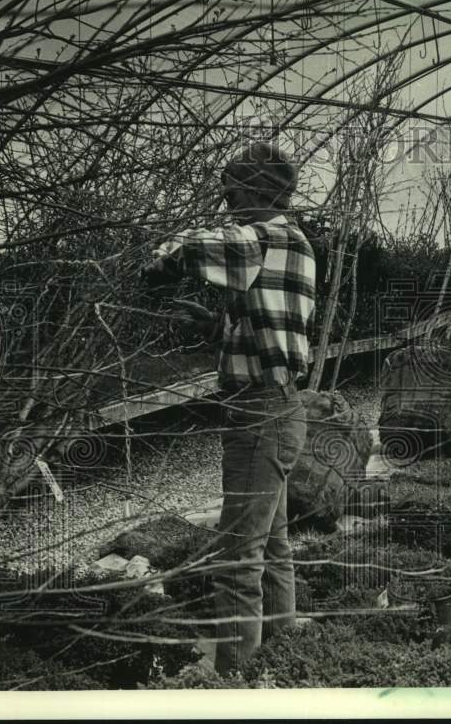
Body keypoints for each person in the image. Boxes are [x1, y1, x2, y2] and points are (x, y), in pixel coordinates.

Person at [142, 141, 316, 675]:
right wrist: (215, 327)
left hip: (259, 413)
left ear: (257, 190)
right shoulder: (294, 243)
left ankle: (234, 682)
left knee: (235, 559)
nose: (226, 199)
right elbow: (272, 334)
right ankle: (283, 657)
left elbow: (194, 248)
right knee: (273, 546)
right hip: (279, 405)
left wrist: (152, 265)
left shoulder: (265, 238)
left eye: (233, 188)